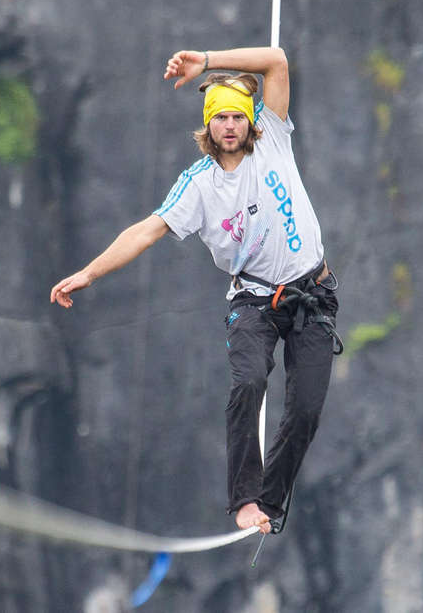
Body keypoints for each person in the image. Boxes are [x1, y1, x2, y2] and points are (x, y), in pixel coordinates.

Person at [50, 46, 338, 535]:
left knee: (306, 408)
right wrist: (90, 273)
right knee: (248, 383)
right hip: (255, 302)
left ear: (250, 121)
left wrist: (206, 61)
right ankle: (245, 499)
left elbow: (277, 61)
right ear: (209, 126)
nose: (229, 125)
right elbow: (146, 230)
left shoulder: (275, 142)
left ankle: (271, 500)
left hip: (313, 293)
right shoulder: (198, 185)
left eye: (236, 116)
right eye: (220, 117)